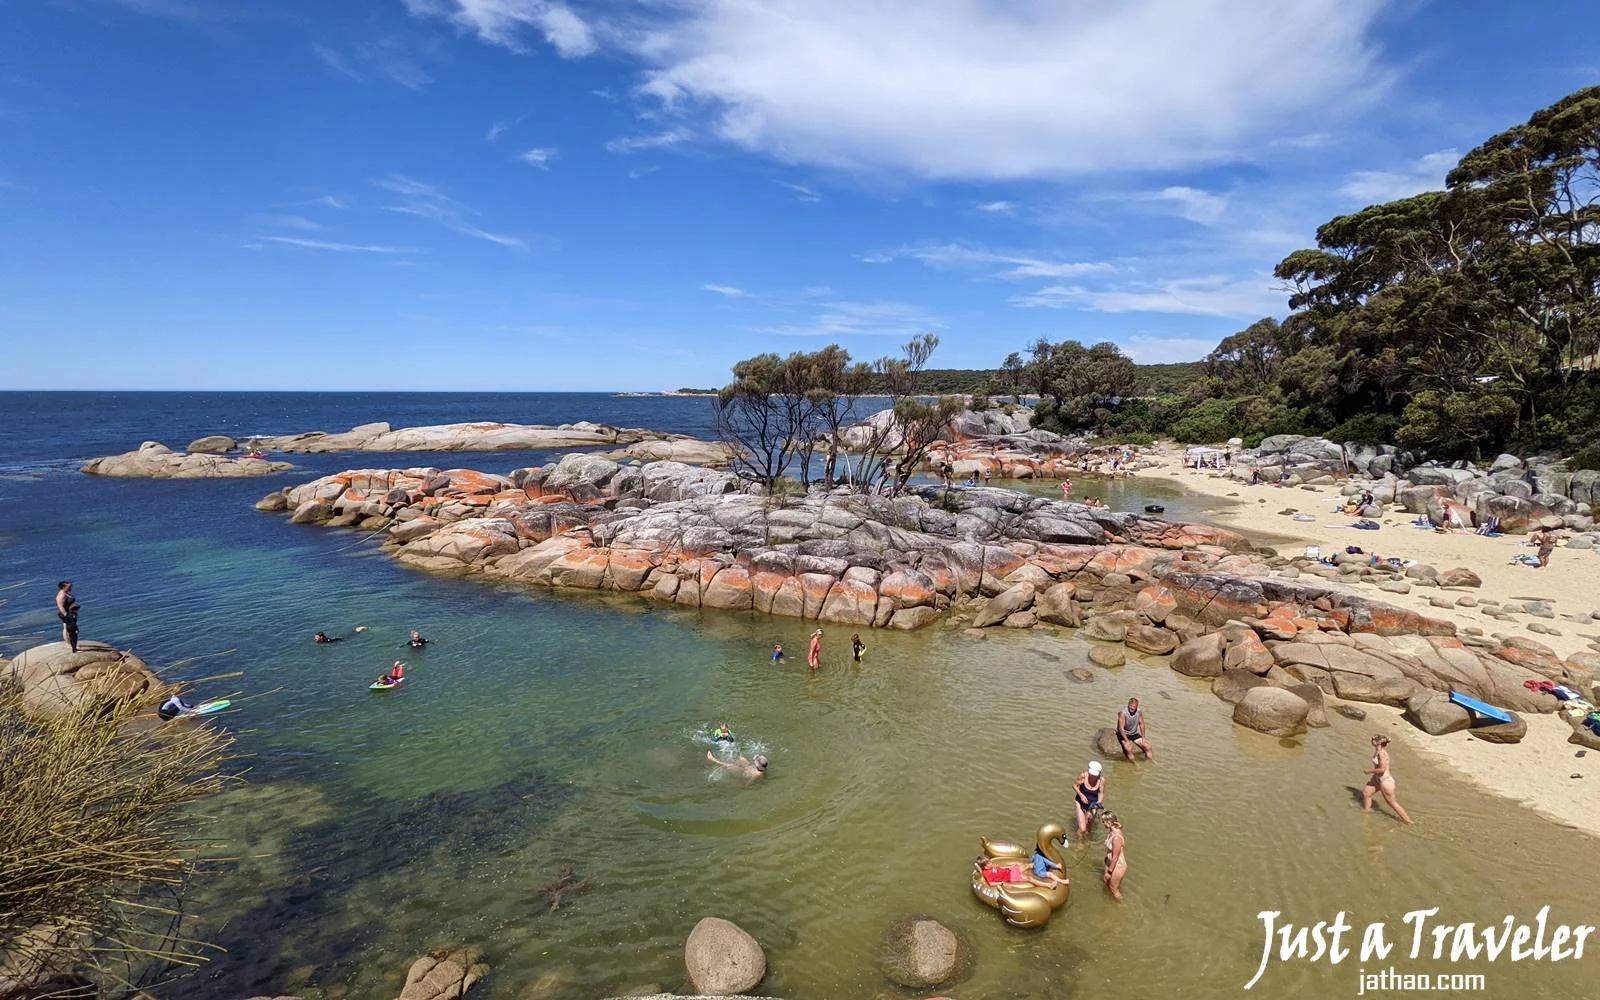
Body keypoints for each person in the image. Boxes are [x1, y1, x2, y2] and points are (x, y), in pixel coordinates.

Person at [1361, 735, 1412, 823]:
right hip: (1377, 779)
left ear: (1378, 742)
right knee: (1366, 793)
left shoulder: (1382, 754)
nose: (1371, 740)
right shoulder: (1378, 751)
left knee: (1392, 803)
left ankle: (1408, 821)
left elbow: (1382, 769)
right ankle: (1366, 813)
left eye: (1373, 739)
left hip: (1385, 781)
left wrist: (1369, 771)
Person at [1073, 760, 1105, 838]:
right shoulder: (1083, 776)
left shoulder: (1102, 780)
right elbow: (1074, 785)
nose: (1093, 776)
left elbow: (1101, 793)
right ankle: (1079, 844)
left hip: (1093, 804)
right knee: (1082, 829)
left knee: (1088, 829)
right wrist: (1081, 795)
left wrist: (1099, 802)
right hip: (1080, 803)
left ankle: (1086, 844)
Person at [1101, 811, 1127, 901]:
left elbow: (1115, 857)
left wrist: (1109, 872)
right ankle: (1109, 904)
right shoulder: (1112, 831)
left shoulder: (1116, 837)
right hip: (1110, 863)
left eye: (1103, 821)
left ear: (1109, 822)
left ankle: (1122, 905)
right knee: (1108, 885)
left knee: (1113, 889)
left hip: (1117, 866)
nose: (1102, 823)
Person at [55, 581, 80, 653]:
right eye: (69, 587)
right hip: (66, 613)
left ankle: (70, 643)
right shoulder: (61, 596)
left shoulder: (66, 592)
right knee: (67, 628)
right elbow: (60, 606)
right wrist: (67, 616)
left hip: (69, 612)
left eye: (71, 586)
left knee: (66, 627)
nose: (71, 588)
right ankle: (69, 644)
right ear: (63, 587)